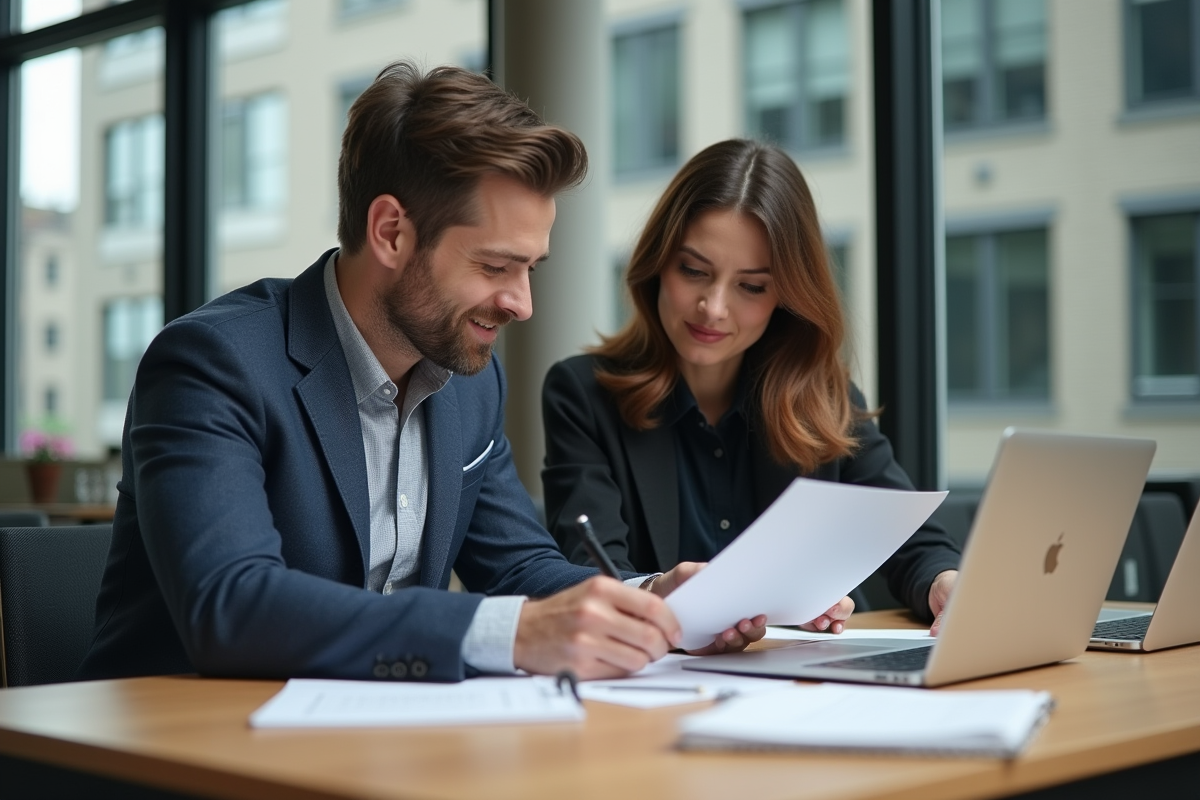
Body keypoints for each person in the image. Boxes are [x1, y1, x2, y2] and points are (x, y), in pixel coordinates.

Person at [78, 63, 764, 685]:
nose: (522, 304)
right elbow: (230, 606)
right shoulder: (212, 362)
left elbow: (521, 567)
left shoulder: (469, 382)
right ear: (390, 232)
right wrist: (508, 634)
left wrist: (649, 600)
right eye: (496, 267)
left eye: (530, 269)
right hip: (178, 753)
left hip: (367, 745)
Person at [541, 139, 961, 635]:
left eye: (751, 286)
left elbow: (911, 541)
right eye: (694, 271)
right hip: (655, 687)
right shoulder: (581, 395)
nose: (713, 308)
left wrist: (946, 583)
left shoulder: (824, 399)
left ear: (786, 295)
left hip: (805, 683)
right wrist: (658, 592)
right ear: (658, 265)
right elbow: (591, 579)